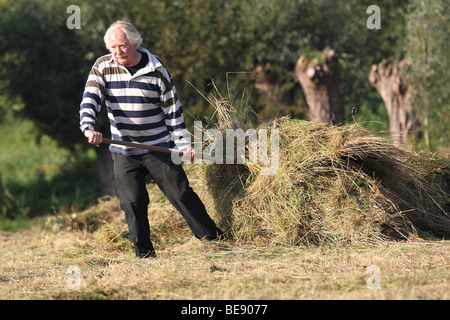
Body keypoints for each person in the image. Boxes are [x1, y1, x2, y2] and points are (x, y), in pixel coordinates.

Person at [79, 21, 223, 258]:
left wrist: (183, 145)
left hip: (158, 146)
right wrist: (88, 127)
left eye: (122, 46)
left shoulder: (157, 70)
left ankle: (213, 239)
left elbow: (172, 111)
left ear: (134, 43)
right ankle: (144, 255)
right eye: (113, 47)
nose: (118, 52)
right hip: (123, 148)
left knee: (181, 194)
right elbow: (90, 98)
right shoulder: (102, 66)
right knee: (133, 202)